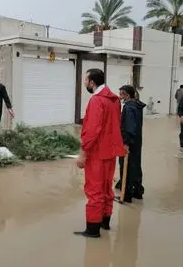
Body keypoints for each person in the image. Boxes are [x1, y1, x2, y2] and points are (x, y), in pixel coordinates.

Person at [74, 68, 125, 238]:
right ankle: (105, 223)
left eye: (85, 80)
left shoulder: (97, 101)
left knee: (94, 190)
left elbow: (91, 130)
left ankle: (92, 230)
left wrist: (83, 153)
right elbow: (116, 124)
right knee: (106, 188)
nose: (84, 83)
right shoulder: (115, 100)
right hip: (111, 152)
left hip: (97, 153)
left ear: (92, 82)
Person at [115, 85, 146, 202]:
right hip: (137, 141)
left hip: (129, 142)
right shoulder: (137, 106)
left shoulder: (128, 108)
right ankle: (138, 191)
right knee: (136, 166)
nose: (120, 96)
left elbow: (129, 127)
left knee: (126, 168)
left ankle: (126, 195)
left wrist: (126, 143)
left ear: (127, 95)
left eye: (121, 94)